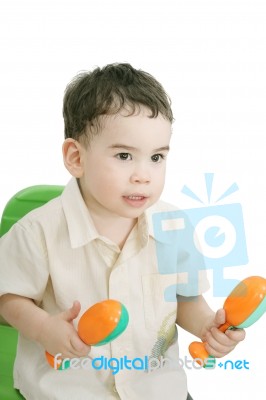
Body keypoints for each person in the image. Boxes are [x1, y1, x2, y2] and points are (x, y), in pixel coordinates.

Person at [0, 63, 245, 400]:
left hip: (157, 390)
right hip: (71, 390)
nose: (144, 175)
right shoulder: (38, 231)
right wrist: (43, 328)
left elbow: (185, 298)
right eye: (125, 155)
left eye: (157, 157)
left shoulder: (174, 227)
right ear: (76, 157)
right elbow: (8, 296)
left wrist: (206, 326)